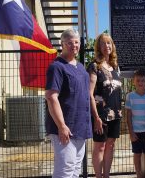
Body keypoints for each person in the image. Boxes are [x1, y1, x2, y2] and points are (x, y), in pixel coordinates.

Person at [45, 28, 92, 178]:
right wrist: (61, 126)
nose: (74, 46)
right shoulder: (57, 67)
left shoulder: (80, 68)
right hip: (65, 129)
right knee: (65, 170)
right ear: (62, 44)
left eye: (76, 42)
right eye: (70, 43)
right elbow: (51, 97)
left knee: (75, 170)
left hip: (80, 128)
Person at [87, 33, 122, 178]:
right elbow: (90, 94)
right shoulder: (95, 66)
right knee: (100, 146)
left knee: (111, 145)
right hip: (100, 114)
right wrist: (96, 117)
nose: (106, 46)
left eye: (109, 43)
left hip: (116, 113)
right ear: (98, 47)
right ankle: (98, 176)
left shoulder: (115, 66)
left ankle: (106, 175)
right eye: (103, 43)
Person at [125, 69, 145, 178]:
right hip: (136, 132)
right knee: (137, 154)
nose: (140, 83)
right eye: (138, 80)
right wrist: (131, 133)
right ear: (133, 81)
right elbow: (128, 116)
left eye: (143, 80)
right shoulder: (130, 96)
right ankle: (139, 175)